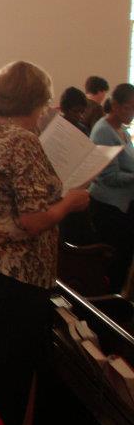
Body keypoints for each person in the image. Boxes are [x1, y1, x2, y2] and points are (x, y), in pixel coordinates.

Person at [0, 61, 90, 425]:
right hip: (16, 279)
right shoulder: (22, 141)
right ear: (35, 102)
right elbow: (31, 221)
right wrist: (69, 203)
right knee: (6, 389)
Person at [88, 83, 134, 292]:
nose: (132, 113)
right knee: (115, 259)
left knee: (124, 257)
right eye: (129, 107)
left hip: (123, 204)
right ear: (115, 105)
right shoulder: (103, 130)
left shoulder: (121, 130)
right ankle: (111, 303)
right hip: (109, 206)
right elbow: (108, 176)